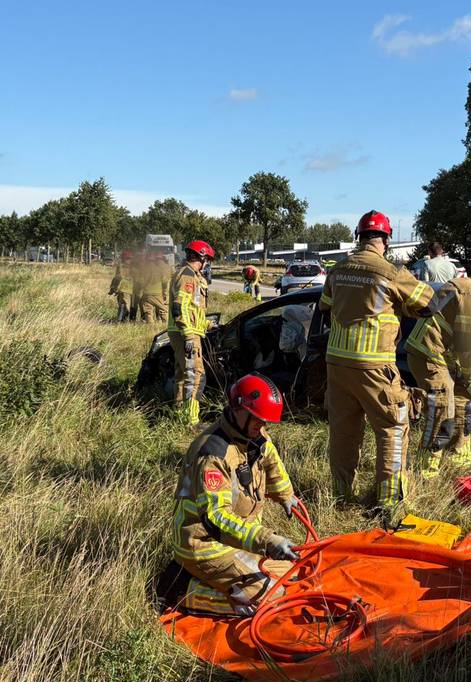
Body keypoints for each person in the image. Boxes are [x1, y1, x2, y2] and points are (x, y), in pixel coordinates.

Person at [321, 210, 435, 516]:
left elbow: (325, 307)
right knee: (392, 427)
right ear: (386, 239)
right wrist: (403, 308)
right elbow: (431, 304)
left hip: (337, 364)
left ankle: (340, 496)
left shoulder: (338, 269)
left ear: (359, 237)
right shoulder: (391, 272)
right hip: (374, 366)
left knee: (343, 431)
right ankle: (388, 503)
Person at [171, 373, 303, 616]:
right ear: (237, 408)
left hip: (236, 541)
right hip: (205, 546)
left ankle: (228, 581)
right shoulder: (213, 456)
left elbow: (271, 460)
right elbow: (216, 519)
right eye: (257, 419)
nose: (261, 427)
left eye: (265, 422)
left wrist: (285, 494)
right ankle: (181, 588)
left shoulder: (252, 435)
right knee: (269, 598)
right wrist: (267, 540)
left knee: (291, 572)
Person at [406, 269, 471, 479]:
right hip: (428, 353)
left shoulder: (463, 286)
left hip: (433, 352)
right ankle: (426, 469)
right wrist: (470, 372)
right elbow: (466, 342)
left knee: (463, 398)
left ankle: (459, 456)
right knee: (441, 408)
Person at [169, 240, 215, 423]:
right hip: (186, 333)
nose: (207, 264)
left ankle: (179, 413)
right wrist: (189, 335)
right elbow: (179, 307)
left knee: (183, 374)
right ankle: (191, 420)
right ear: (201, 257)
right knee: (196, 375)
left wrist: (208, 325)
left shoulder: (191, 275)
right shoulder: (187, 276)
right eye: (207, 259)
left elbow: (193, 309)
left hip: (184, 330)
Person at [140, 252, 173, 325]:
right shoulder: (159, 269)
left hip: (146, 294)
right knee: (163, 310)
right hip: (157, 294)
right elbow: (164, 282)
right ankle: (165, 326)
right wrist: (165, 293)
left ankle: (150, 327)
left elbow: (140, 282)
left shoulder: (143, 269)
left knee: (148, 312)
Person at [109, 251, 134, 322]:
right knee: (125, 306)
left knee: (123, 306)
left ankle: (120, 321)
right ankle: (122, 321)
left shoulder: (121, 266)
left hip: (124, 289)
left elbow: (116, 278)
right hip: (128, 290)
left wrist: (112, 288)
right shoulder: (133, 267)